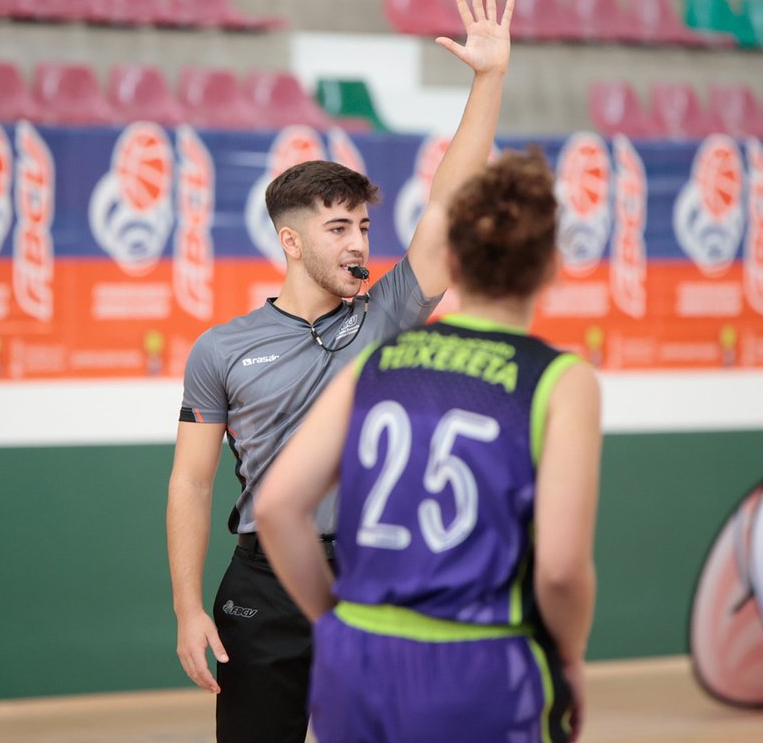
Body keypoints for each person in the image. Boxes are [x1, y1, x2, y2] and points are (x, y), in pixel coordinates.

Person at [166, 0, 515, 742]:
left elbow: (451, 203)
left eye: (362, 224)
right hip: (263, 583)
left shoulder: (388, 312)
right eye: (338, 228)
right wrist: (189, 609)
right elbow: (192, 482)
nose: (358, 243)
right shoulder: (221, 350)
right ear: (291, 241)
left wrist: (488, 79)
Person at [255, 148, 602, 743]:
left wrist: (335, 622)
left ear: (453, 262)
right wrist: (567, 657)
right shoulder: (558, 378)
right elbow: (563, 571)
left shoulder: (380, 360)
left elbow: (274, 507)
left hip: (356, 658)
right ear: (550, 267)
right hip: (481, 658)